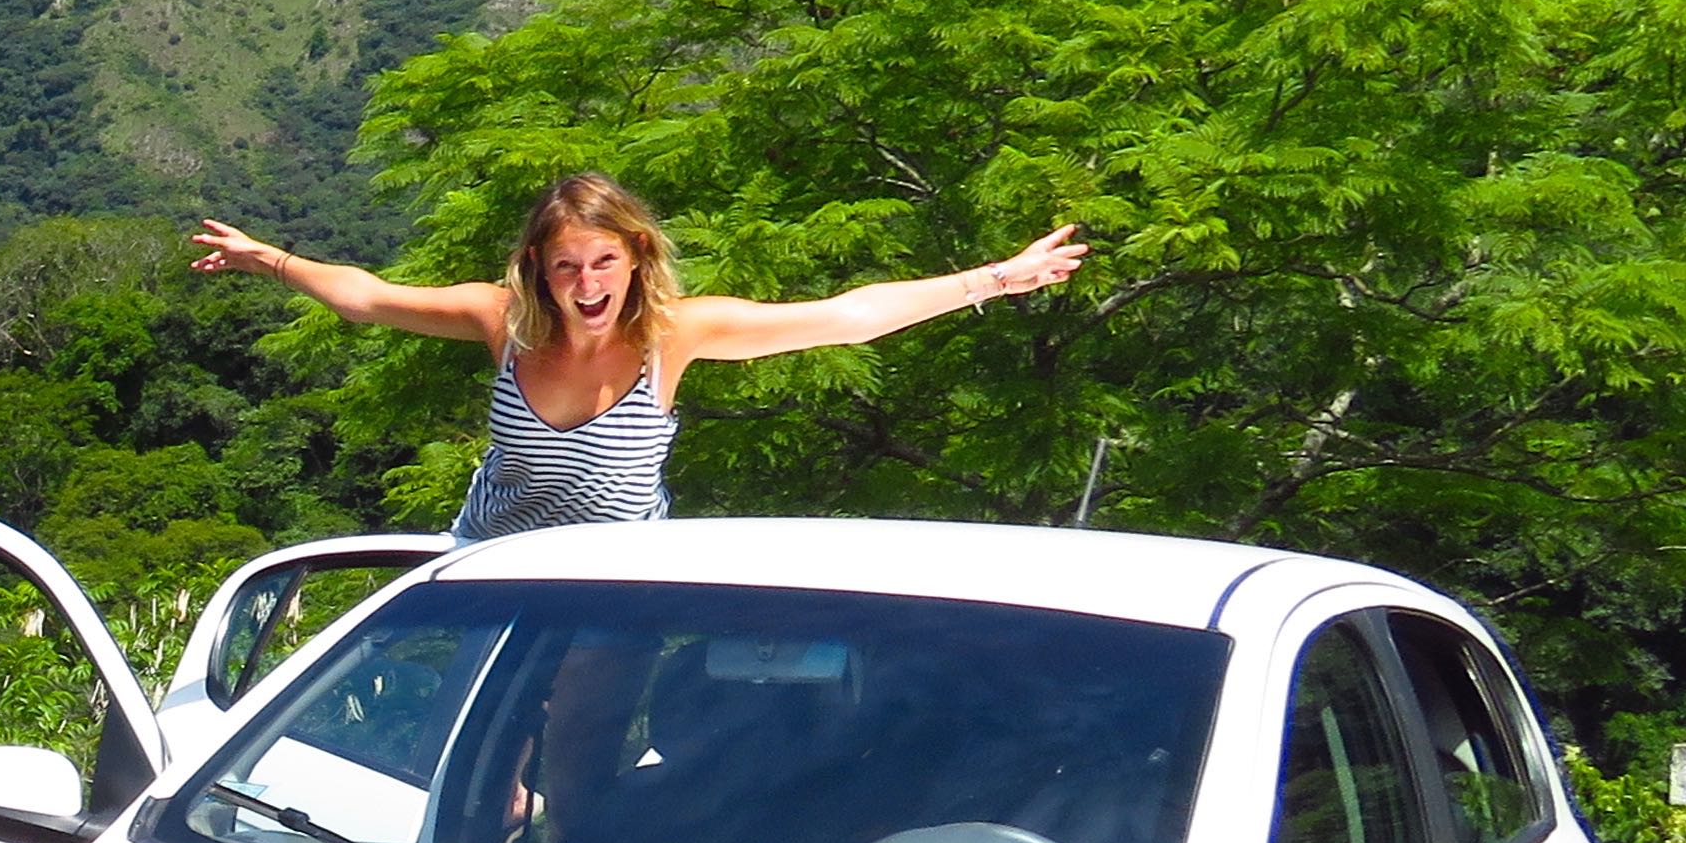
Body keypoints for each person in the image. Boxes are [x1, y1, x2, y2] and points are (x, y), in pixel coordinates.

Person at [189, 170, 1085, 544]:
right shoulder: (501, 321)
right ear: (538, 268)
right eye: (567, 266)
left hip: (610, 566)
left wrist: (995, 280)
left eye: (604, 263)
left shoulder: (675, 335)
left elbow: (848, 319)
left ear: (636, 259)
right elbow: (365, 295)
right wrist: (267, 259)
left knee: (578, 733)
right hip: (492, 554)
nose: (587, 284)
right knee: (481, 750)